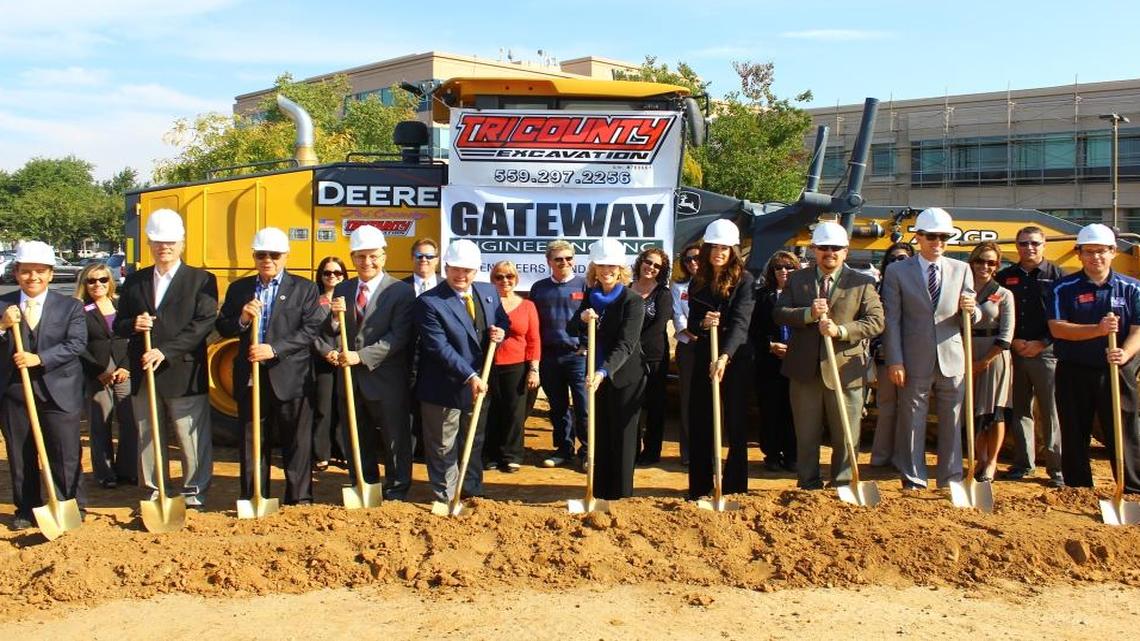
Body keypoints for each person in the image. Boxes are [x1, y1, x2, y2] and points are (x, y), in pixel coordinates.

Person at [115, 209, 218, 509]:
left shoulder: (201, 280)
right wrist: (134, 324)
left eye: (170, 242)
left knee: (190, 437)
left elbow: (202, 324)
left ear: (182, 243)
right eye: (158, 242)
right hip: (144, 370)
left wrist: (166, 350)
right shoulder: (135, 281)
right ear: (149, 244)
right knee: (148, 434)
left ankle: (194, 493)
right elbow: (119, 324)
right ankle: (154, 490)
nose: (164, 247)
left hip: (182, 371)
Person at [216, 228, 324, 505]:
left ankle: (299, 498)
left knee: (297, 441)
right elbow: (223, 326)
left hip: (291, 376)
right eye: (261, 254)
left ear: (285, 256)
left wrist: (274, 349)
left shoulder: (305, 288)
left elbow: (310, 330)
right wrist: (241, 318)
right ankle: (254, 495)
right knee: (252, 439)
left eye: (274, 255)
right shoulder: (240, 289)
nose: (268, 260)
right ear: (254, 256)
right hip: (251, 377)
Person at [774, 222, 884, 490]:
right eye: (823, 248)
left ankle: (844, 486)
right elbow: (779, 313)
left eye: (835, 248)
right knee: (807, 435)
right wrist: (808, 314)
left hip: (845, 371)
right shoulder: (798, 280)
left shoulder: (862, 282)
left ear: (846, 251)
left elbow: (876, 321)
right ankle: (808, 484)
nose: (829, 253)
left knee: (846, 435)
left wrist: (842, 330)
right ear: (813, 250)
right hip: (805, 372)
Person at [316, 225, 416, 500]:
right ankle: (364, 482)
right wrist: (335, 320)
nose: (367, 262)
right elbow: (329, 331)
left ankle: (396, 488)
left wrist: (361, 356)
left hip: (386, 378)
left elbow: (398, 336)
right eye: (360, 256)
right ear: (352, 258)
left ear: (383, 256)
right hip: (350, 380)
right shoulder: (343, 289)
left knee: (394, 436)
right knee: (356, 435)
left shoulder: (400, 292)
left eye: (373, 256)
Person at [882, 207, 978, 490]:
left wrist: (972, 310)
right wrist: (895, 361)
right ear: (919, 238)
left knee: (953, 419)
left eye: (943, 238)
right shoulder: (897, 271)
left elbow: (972, 314)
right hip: (913, 359)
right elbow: (892, 319)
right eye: (932, 237)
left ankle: (950, 479)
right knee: (912, 419)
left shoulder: (961, 269)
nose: (938, 243)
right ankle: (913, 478)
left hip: (952, 357)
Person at [0, 241, 88, 531]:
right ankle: (27, 508)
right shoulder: (3, 304)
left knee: (64, 451)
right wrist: (2, 326)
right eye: (26, 271)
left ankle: (69, 504)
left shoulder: (71, 306)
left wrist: (39, 358)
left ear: (51, 274)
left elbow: (76, 344)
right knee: (20, 452)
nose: (33, 277)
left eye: (40, 271)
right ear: (17, 273)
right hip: (14, 393)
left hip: (60, 390)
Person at [1048, 223, 1140, 494]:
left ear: (1113, 251)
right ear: (1079, 254)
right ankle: (1079, 489)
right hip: (1074, 369)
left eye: (1101, 251)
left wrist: (1125, 352)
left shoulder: (1132, 288)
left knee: (1124, 430)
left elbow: (1137, 328)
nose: (1095, 257)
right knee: (1075, 431)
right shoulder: (1063, 288)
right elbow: (1057, 328)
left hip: (1116, 370)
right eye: (1089, 252)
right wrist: (1097, 331)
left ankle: (1132, 488)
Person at [415, 239, 507, 503]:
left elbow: (501, 318)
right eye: (455, 268)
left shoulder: (488, 291)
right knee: (443, 444)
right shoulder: (430, 302)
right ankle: (446, 496)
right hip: (444, 386)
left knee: (474, 439)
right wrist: (469, 376)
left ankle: (471, 489)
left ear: (476, 271)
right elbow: (438, 347)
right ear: (445, 268)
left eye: (467, 270)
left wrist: (501, 330)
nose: (461, 275)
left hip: (480, 383)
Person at [568, 238, 645, 499]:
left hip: (623, 376)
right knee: (599, 432)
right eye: (601, 265)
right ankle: (599, 491)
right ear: (594, 268)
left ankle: (621, 494)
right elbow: (572, 328)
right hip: (595, 374)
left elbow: (626, 344)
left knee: (622, 435)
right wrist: (581, 318)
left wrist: (603, 372)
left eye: (611, 265)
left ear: (621, 268)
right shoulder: (590, 295)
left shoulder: (632, 300)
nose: (606, 270)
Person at [687, 219, 755, 500]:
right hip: (705, 354)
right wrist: (703, 323)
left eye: (724, 248)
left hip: (735, 357)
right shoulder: (698, 281)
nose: (719, 252)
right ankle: (701, 487)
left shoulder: (745, 281)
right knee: (701, 420)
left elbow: (741, 323)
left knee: (736, 422)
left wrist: (725, 356)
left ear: (733, 251)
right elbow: (691, 321)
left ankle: (735, 487)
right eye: (714, 246)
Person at [995, 226, 1064, 486]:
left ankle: (1057, 469)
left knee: (1051, 411)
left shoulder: (1057, 276)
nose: (1029, 248)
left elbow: (1064, 315)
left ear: (1044, 244)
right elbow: (997, 312)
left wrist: (1042, 342)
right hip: (1015, 353)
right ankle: (1024, 464)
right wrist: (1012, 342)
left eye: (1034, 243)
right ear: (1017, 246)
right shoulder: (1005, 277)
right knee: (1020, 410)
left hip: (1047, 353)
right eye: (1023, 244)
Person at [76, 261, 137, 490]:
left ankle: (128, 470)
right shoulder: (79, 310)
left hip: (124, 369)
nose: (97, 284)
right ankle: (105, 473)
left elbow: (134, 340)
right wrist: (97, 371)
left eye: (102, 279)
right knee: (100, 423)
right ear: (84, 284)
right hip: (97, 372)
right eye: (91, 280)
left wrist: (127, 367)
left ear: (110, 282)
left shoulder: (123, 306)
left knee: (129, 420)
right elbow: (78, 345)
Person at [530, 240, 589, 468]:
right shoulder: (538, 288)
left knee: (584, 407)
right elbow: (534, 324)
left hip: (578, 356)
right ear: (549, 262)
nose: (564, 262)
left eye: (568, 258)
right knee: (558, 407)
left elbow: (593, 321)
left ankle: (587, 451)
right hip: (549, 357)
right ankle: (564, 449)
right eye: (558, 259)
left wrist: (585, 346)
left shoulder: (585, 286)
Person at [484, 260, 540, 473]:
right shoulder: (486, 302)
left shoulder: (527, 306)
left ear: (516, 279)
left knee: (514, 412)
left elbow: (534, 340)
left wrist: (534, 369)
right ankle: (489, 454)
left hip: (516, 366)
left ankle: (511, 455)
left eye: (509, 276)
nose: (504, 281)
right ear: (492, 280)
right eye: (499, 277)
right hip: (488, 365)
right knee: (489, 411)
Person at [967, 241, 1014, 482]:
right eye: (980, 261)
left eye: (990, 262)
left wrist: (985, 360)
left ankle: (991, 462)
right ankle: (979, 458)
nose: (984, 266)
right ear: (972, 261)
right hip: (965, 354)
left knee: (995, 412)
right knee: (973, 412)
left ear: (997, 266)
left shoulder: (1003, 294)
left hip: (993, 356)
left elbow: (1006, 334)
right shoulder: (961, 290)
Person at [750, 250, 799, 473]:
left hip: (797, 362)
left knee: (795, 411)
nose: (783, 271)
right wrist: (770, 346)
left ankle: (792, 455)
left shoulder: (805, 295)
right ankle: (771, 454)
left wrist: (794, 349)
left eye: (788, 267)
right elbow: (752, 329)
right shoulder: (761, 296)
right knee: (770, 409)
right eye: (778, 268)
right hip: (769, 362)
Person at [868, 242, 915, 468]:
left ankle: (902, 457)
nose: (899, 262)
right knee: (887, 407)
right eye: (894, 259)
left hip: (914, 355)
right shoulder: (876, 289)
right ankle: (880, 456)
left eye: (904, 258)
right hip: (885, 356)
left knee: (909, 408)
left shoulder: (919, 287)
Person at [630, 247, 674, 465]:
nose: (651, 268)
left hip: (654, 357)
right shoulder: (627, 289)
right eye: (648, 262)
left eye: (657, 266)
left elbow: (659, 326)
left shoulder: (663, 294)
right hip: (628, 358)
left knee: (654, 406)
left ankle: (651, 452)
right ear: (640, 262)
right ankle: (632, 450)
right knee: (632, 405)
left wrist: (635, 346)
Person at [402, 238, 440, 463]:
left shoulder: (446, 287)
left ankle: (430, 453)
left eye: (429, 256)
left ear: (437, 260)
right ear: (412, 258)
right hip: (406, 358)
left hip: (437, 359)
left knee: (434, 408)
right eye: (419, 256)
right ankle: (410, 453)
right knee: (408, 408)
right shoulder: (398, 288)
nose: (424, 260)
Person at [311, 256, 348, 472]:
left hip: (345, 360)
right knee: (323, 408)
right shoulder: (313, 299)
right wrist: (327, 352)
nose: (332, 276)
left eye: (337, 273)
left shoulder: (350, 297)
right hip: (322, 360)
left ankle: (343, 452)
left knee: (344, 406)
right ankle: (321, 453)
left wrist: (343, 352)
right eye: (327, 273)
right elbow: (310, 331)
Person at [671, 240, 702, 466]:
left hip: (714, 347)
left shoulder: (718, 284)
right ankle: (689, 453)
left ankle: (709, 451)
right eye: (689, 259)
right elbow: (678, 316)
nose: (693, 263)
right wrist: (693, 336)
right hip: (689, 347)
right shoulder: (678, 287)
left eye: (698, 258)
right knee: (689, 400)